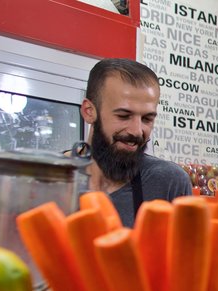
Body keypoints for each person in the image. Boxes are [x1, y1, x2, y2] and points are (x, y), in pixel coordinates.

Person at [79, 58, 191, 226]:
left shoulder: (168, 181)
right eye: (123, 116)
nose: (137, 131)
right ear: (89, 112)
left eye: (147, 119)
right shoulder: (50, 181)